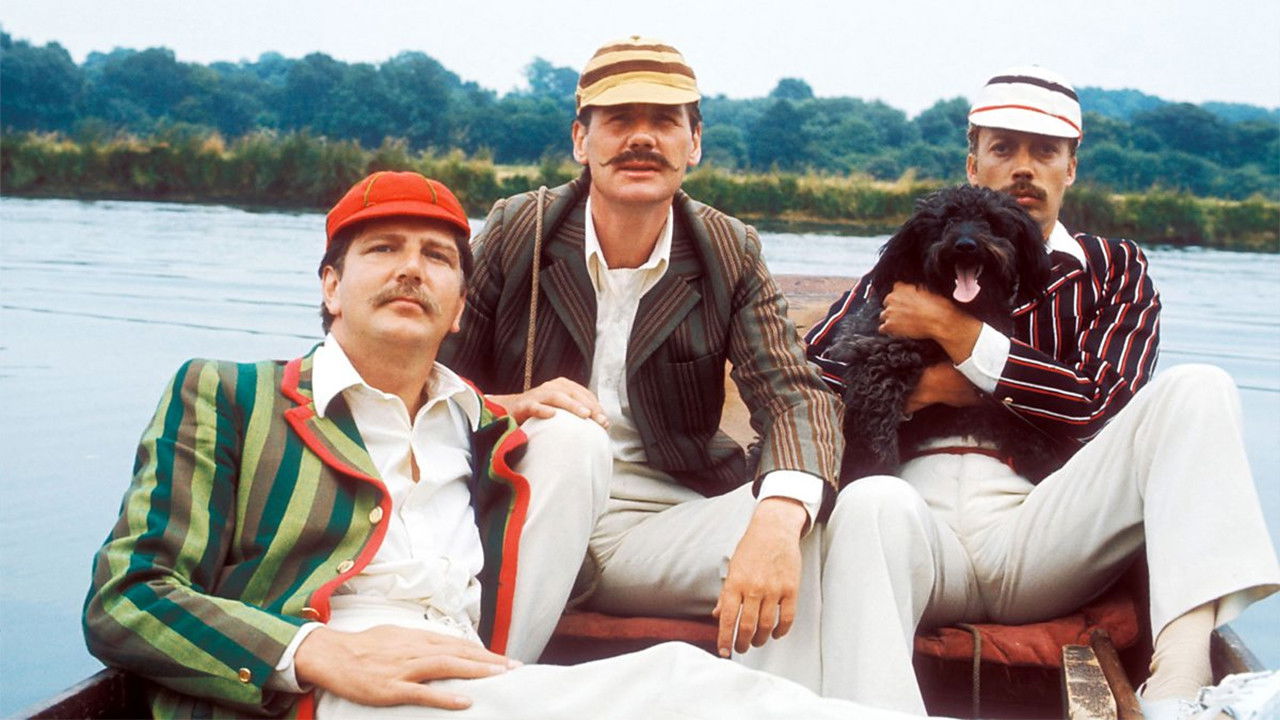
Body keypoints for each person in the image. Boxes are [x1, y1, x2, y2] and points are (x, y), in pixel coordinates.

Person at [82, 170, 906, 720]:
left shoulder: (480, 427)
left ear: (457, 305)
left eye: (437, 258)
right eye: (382, 251)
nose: (412, 270)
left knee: (695, 680)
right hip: (330, 689)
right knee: (685, 690)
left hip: (476, 679)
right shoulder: (229, 394)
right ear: (330, 286)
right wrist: (316, 653)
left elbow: (793, 395)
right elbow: (124, 599)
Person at [804, 66, 1280, 716]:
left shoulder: (1114, 270)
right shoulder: (910, 265)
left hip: (1042, 526)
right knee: (872, 502)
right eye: (1003, 148)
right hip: (911, 523)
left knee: (1200, 388)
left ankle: (1180, 686)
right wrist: (902, 386)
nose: (1023, 168)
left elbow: (1097, 405)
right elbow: (810, 381)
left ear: (1071, 168)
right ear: (972, 161)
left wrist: (955, 343)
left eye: (1044, 151)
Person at [439, 34, 846, 675]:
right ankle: (488, 692)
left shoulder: (725, 249)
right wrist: (514, 404)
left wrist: (778, 515)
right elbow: (426, 381)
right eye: (620, 119)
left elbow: (796, 394)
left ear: (694, 143)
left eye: (664, 120)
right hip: (525, 508)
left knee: (815, 531)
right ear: (581, 140)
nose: (642, 138)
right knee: (571, 438)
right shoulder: (522, 230)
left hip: (657, 525)